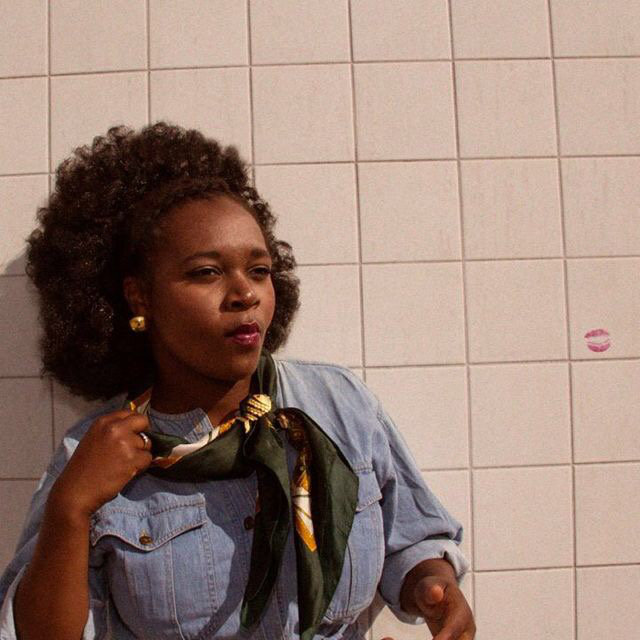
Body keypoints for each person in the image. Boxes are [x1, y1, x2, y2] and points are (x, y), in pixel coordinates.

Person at [0, 122, 476, 640]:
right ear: (141, 297)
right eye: (206, 272)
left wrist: (431, 585)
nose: (244, 293)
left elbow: (413, 537)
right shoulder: (96, 456)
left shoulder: (339, 403)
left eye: (259, 270)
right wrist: (71, 510)